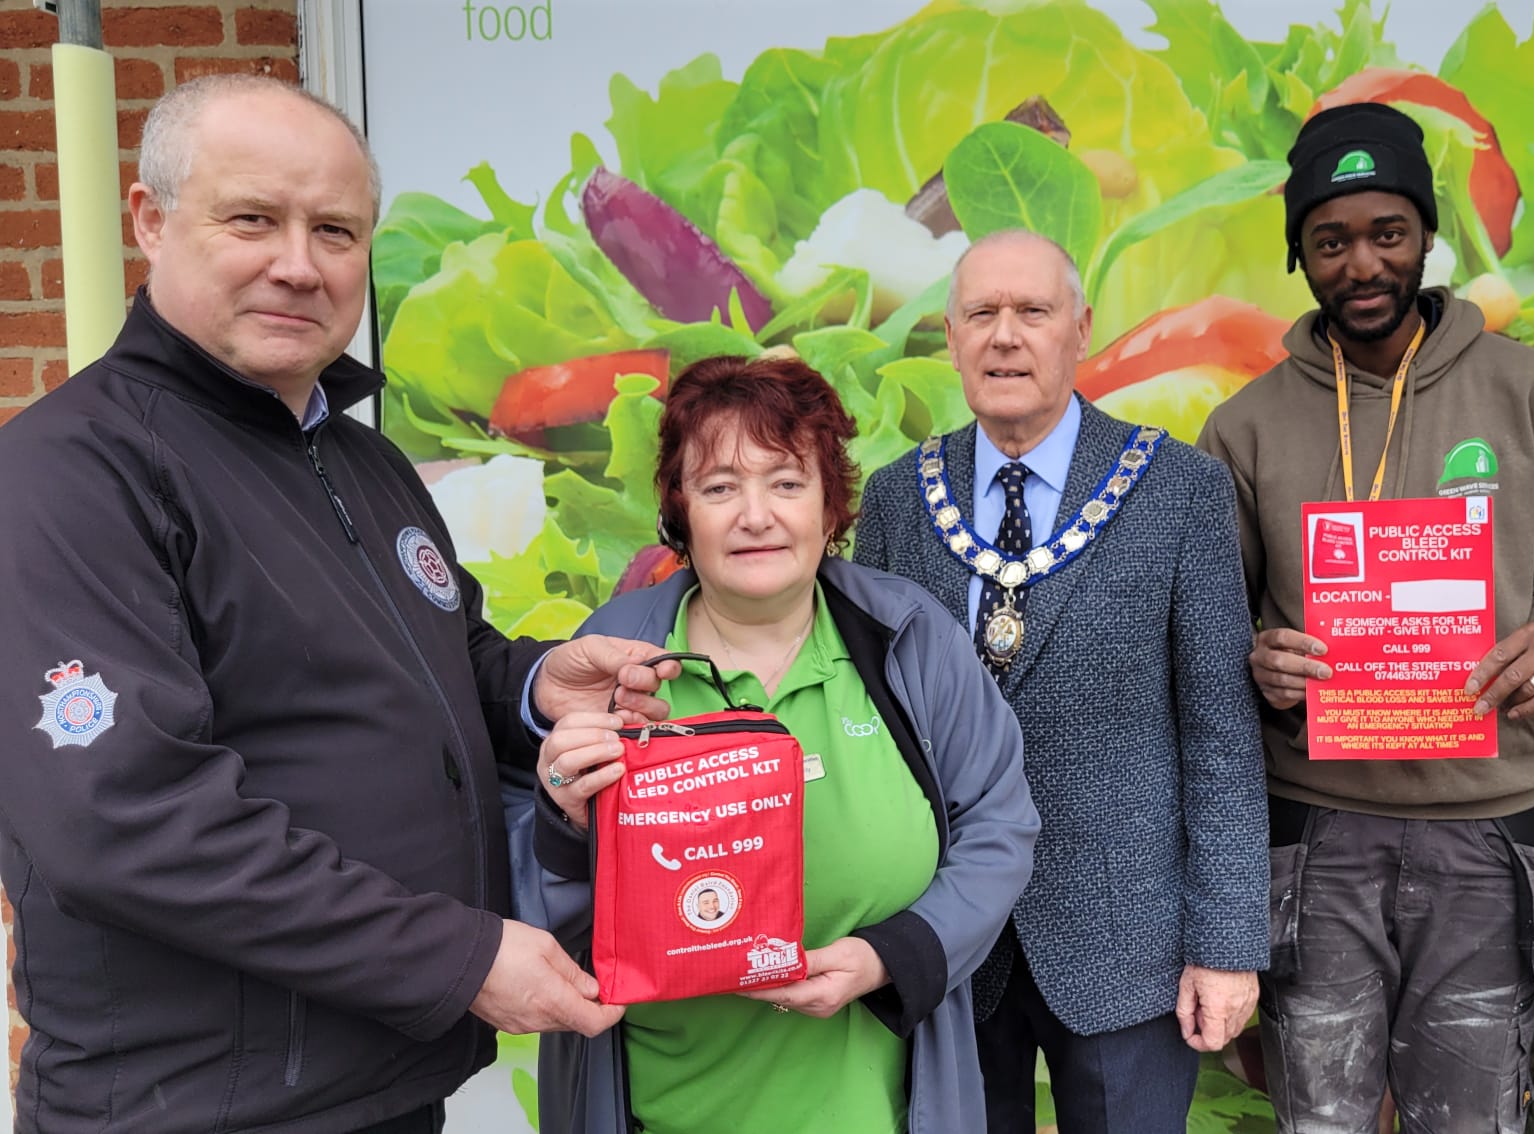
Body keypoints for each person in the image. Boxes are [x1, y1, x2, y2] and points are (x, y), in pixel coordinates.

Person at [0, 76, 677, 1134]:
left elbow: (437, 659)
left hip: (376, 1087)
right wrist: (458, 957)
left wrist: (538, 681)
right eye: (252, 220)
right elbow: (128, 822)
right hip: (201, 1111)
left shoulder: (361, 459)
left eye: (335, 231)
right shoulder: (72, 475)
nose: (298, 264)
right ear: (149, 220)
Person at [1195, 103, 1534, 1131]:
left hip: (1490, 830)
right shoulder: (1241, 428)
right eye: (1331, 241)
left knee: (1470, 1119)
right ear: (1299, 256)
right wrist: (1260, 658)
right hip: (1318, 835)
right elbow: (1217, 628)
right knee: (1319, 1118)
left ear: (1427, 236)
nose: (1362, 263)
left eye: (1388, 233)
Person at [521, 353, 1040, 1134]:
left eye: (786, 482)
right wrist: (563, 823)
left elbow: (999, 829)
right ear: (679, 513)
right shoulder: (614, 655)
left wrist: (887, 958)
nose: (754, 515)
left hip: (879, 1106)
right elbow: (544, 908)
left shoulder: (909, 637)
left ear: (831, 506)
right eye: (720, 486)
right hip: (665, 1104)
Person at [854, 229, 1269, 1133]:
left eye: (1032, 312)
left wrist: (1229, 947)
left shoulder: (1180, 489)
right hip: (949, 946)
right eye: (981, 314)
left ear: (1079, 329)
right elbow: (869, 722)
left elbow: (1221, 736)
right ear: (950, 335)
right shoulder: (893, 499)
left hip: (1131, 949)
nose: (1006, 336)